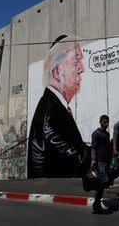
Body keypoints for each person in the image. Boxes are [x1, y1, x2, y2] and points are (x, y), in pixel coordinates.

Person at [28, 34, 89, 178]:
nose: (82, 69)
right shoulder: (52, 112)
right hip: (51, 188)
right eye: (76, 62)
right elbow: (76, 157)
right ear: (56, 72)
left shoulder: (53, 105)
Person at [91, 115, 112, 214]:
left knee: (103, 183)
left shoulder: (107, 134)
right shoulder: (96, 133)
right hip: (99, 162)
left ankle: (96, 204)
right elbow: (93, 148)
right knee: (104, 181)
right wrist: (93, 159)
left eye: (107, 122)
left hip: (106, 161)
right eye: (104, 122)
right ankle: (96, 203)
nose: (106, 124)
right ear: (100, 122)